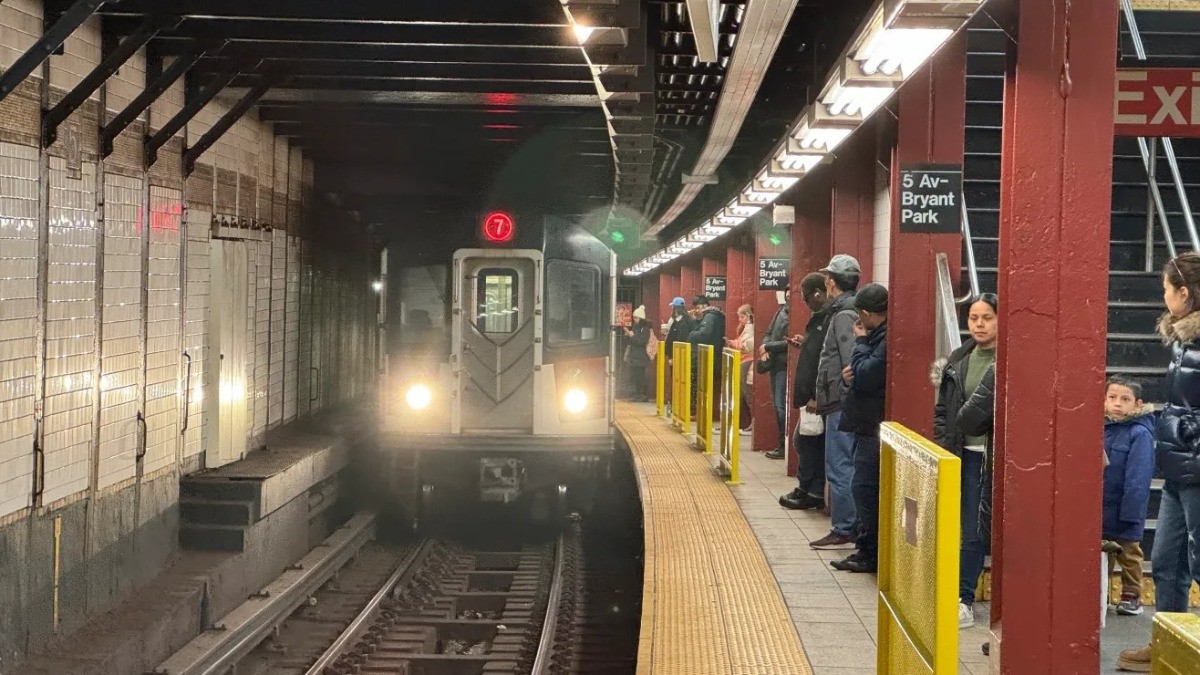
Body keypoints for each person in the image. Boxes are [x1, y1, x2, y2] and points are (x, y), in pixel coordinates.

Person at [1118, 252, 1200, 672]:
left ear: (1183, 293)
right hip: (1177, 466)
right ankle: (1169, 642)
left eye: (1166, 290)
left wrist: (1185, 432)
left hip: (1195, 467)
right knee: (1167, 561)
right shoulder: (1183, 340)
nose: (1163, 296)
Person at [931, 293, 998, 629]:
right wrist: (944, 442)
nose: (979, 324)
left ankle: (964, 598)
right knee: (960, 527)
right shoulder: (959, 358)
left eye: (987, 317)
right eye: (973, 317)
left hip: (991, 458)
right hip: (962, 455)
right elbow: (943, 409)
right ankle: (955, 593)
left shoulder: (1007, 359)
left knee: (974, 530)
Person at [830, 283, 888, 573]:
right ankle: (865, 548)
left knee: (863, 489)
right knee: (862, 487)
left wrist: (861, 343)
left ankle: (870, 552)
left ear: (865, 313)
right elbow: (859, 373)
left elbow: (866, 375)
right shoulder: (878, 337)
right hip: (864, 424)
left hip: (872, 427)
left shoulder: (880, 339)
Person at [810, 254, 861, 550]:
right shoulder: (848, 309)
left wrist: (835, 396)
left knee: (840, 465)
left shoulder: (843, 314)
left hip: (840, 404)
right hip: (842, 402)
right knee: (844, 463)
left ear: (831, 282)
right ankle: (848, 525)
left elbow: (848, 361)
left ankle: (844, 527)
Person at [1102, 375, 1155, 618]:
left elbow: (1139, 475)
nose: (1117, 403)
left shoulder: (1139, 433)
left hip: (1126, 505)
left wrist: (1131, 510)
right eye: (1112, 397)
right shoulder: (1101, 428)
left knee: (1129, 552)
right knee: (1102, 552)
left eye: (1125, 399)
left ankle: (1132, 594)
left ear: (1138, 403)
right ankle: (1101, 594)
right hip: (1102, 504)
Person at [781, 273, 830, 510]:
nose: (805, 303)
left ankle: (811, 490)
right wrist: (804, 342)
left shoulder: (829, 317)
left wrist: (814, 395)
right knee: (808, 440)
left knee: (806, 440)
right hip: (814, 393)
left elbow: (825, 360)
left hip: (818, 395)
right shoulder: (821, 318)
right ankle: (810, 488)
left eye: (805, 298)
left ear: (818, 293)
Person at [760, 290, 792, 458]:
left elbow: (791, 340)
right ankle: (781, 444)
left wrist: (768, 346)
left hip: (785, 364)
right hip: (775, 364)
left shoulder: (793, 313)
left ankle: (784, 446)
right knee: (777, 405)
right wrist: (764, 346)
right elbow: (768, 331)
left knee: (781, 407)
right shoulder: (780, 311)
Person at [688, 295, 726, 415]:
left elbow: (705, 335)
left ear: (705, 306)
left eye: (698, 307)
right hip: (713, 356)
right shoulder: (712, 316)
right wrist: (695, 320)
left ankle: (700, 413)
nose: (697, 310)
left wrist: (690, 335)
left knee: (702, 386)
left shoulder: (710, 316)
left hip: (710, 358)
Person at [726, 304, 755, 433]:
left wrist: (732, 343)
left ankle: (752, 423)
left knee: (746, 393)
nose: (739, 319)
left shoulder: (749, 328)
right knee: (744, 393)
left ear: (748, 315)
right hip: (745, 360)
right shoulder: (747, 327)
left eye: (742, 316)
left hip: (746, 361)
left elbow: (746, 345)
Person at [623, 306, 652, 402]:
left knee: (640, 376)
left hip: (641, 356)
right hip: (634, 355)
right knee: (635, 375)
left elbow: (642, 342)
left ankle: (642, 394)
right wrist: (628, 336)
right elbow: (632, 341)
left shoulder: (646, 328)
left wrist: (632, 336)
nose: (634, 319)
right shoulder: (635, 327)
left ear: (641, 318)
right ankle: (637, 394)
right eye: (634, 317)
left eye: (636, 318)